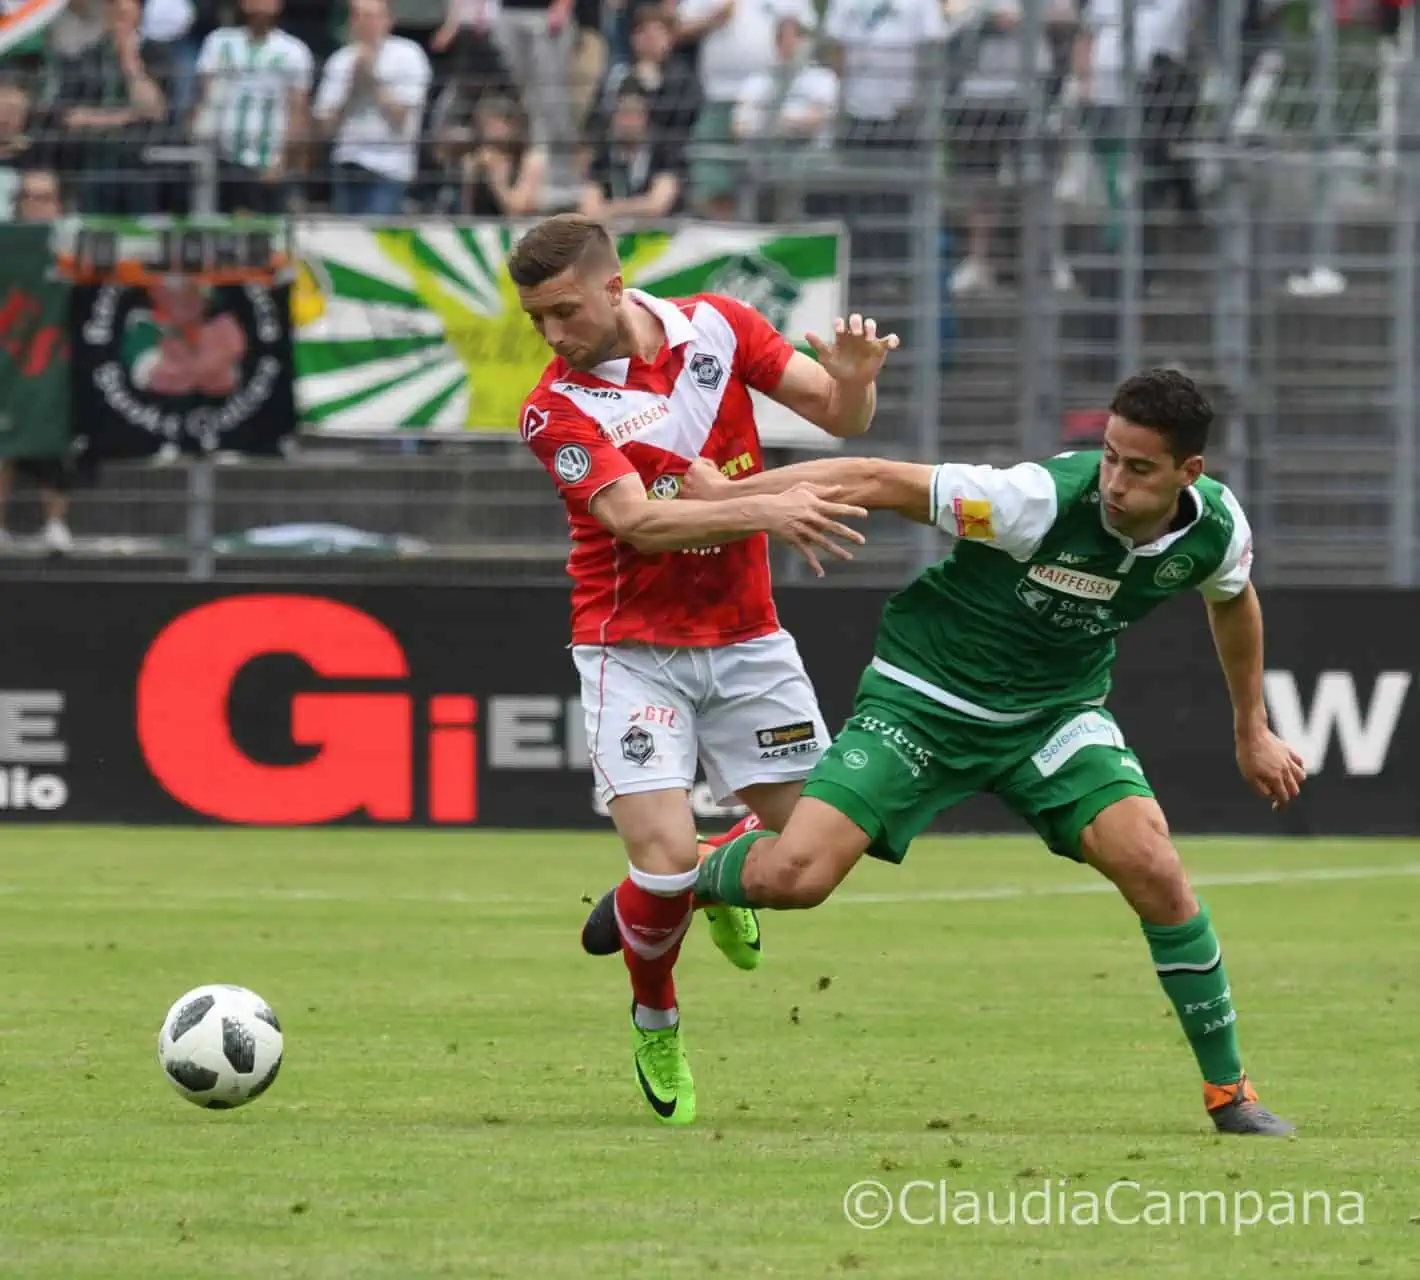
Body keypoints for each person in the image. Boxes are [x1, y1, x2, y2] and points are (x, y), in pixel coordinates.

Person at [583, 368, 1306, 1136]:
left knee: (1155, 867)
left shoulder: (1217, 530)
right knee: (796, 879)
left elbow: (1233, 601)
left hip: (1052, 717)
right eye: (1110, 456)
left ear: (1189, 472)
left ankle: (1230, 1093)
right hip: (924, 701)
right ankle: (692, 877)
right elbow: (878, 478)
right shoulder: (1034, 501)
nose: (1116, 482)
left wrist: (1251, 729)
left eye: (1140, 468)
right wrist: (736, 498)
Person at [508, 211, 896, 1125]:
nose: (554, 334)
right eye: (536, 320)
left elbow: (838, 418)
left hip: (746, 640)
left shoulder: (719, 323)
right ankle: (656, 1016)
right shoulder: (553, 406)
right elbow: (637, 521)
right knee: (663, 856)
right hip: (630, 650)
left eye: (564, 311)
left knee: (815, 852)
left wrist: (854, 385)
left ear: (614, 284)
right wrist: (769, 510)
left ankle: (715, 876)